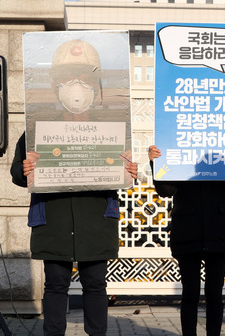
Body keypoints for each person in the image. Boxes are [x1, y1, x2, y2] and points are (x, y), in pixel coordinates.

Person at [11, 38, 138, 336]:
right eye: (69, 78)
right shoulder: (37, 126)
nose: (77, 85)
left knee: (95, 285)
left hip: (95, 218)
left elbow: (125, 172)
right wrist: (24, 168)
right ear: (56, 84)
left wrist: (130, 171)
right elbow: (18, 171)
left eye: (85, 77)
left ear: (97, 84)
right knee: (56, 286)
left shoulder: (115, 128)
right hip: (53, 219)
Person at [147, 145, 225, 336]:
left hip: (219, 231)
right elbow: (165, 190)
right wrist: (155, 162)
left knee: (215, 294)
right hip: (188, 232)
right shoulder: (182, 167)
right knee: (190, 294)